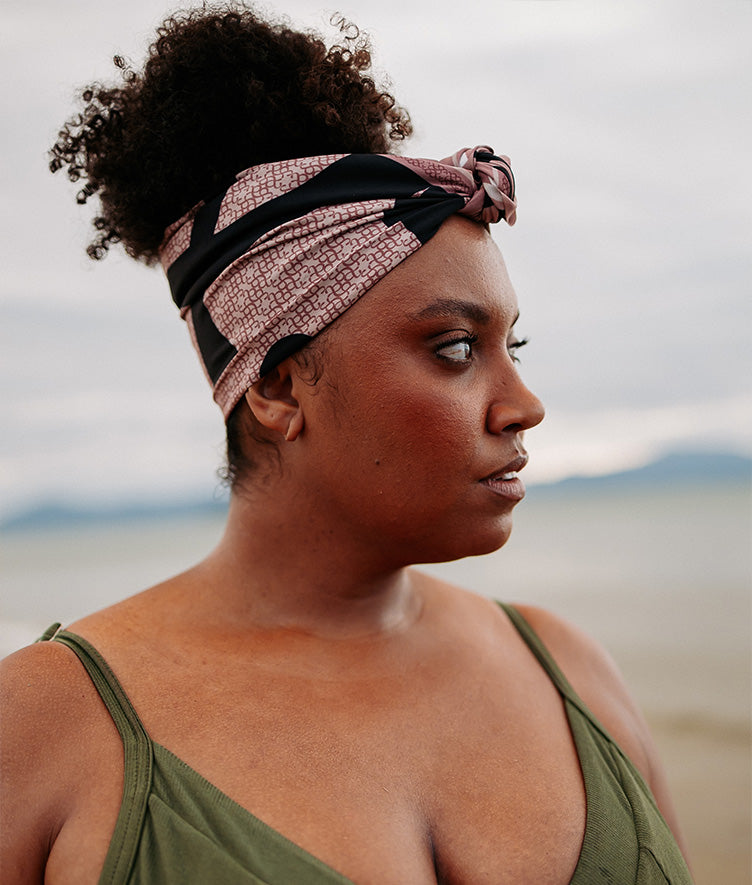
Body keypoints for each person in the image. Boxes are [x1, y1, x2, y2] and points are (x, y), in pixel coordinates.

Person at [0, 6, 694, 884]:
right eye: (456, 348)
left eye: (512, 346)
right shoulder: (45, 726)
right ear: (277, 387)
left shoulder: (573, 672)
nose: (525, 405)